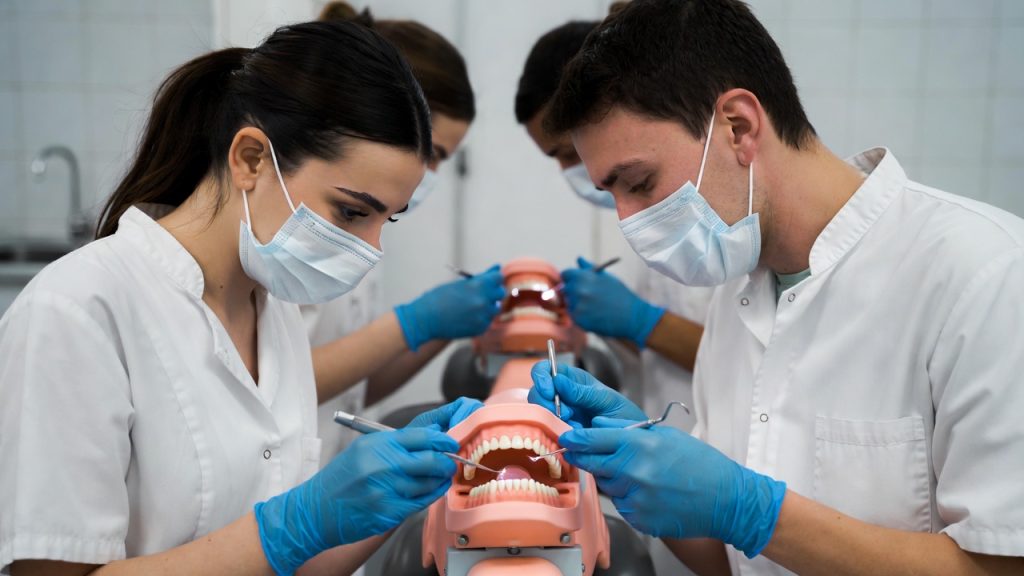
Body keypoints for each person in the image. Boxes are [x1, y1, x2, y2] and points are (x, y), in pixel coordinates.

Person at [528, 0, 1024, 574]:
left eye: (639, 183)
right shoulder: (738, 297)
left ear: (738, 126)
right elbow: (725, 559)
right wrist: (627, 467)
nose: (629, 219)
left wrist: (755, 512)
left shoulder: (986, 274)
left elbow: (1003, 565)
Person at [0, 20, 483, 576]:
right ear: (251, 158)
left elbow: (293, 563)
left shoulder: (272, 311)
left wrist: (398, 493)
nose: (370, 248)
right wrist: (291, 525)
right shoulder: (76, 311)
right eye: (352, 212)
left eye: (386, 220)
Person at [310, 2, 500, 462]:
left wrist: (438, 328)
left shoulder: (366, 227)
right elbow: (268, 384)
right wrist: (412, 323)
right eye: (429, 152)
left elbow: (355, 387)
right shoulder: (300, 234)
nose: (427, 173)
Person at [515, 18, 708, 426]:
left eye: (571, 152)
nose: (574, 170)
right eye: (557, 158)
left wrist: (640, 320)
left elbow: (754, 360)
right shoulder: (636, 217)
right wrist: (606, 321)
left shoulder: (717, 218)